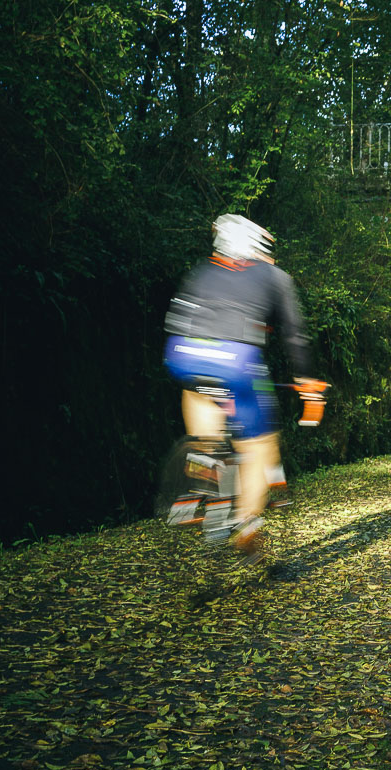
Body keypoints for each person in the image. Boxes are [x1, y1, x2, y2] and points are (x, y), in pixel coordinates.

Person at [163, 213, 325, 560]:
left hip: (181, 352)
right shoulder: (275, 275)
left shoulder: (204, 269)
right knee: (259, 449)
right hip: (236, 359)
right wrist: (307, 383)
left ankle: (203, 464)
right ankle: (246, 525)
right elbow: (295, 335)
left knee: (198, 395)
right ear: (261, 248)